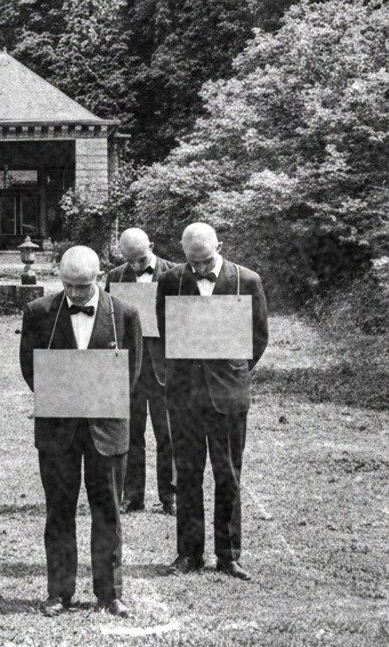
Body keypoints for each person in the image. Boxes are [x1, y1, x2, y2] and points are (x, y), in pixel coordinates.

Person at [20, 246, 142, 618]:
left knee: (108, 512)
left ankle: (110, 593)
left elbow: (132, 371)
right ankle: (59, 592)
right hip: (58, 429)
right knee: (59, 511)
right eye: (68, 285)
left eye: (83, 286)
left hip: (107, 428)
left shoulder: (125, 314)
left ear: (99, 278)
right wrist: (65, 398)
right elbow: (30, 368)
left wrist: (97, 400)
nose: (74, 293)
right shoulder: (39, 312)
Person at [156, 222, 268, 581]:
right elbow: (166, 331)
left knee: (228, 475)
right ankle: (189, 553)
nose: (200, 268)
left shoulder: (247, 280)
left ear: (219, 246)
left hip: (227, 396)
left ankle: (228, 555)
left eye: (205, 261)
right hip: (184, 396)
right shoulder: (170, 281)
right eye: (193, 262)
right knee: (188, 475)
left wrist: (231, 370)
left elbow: (258, 338)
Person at [104, 228, 177, 515]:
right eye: (129, 260)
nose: (135, 266)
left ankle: (171, 496)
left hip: (165, 369)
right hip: (130, 368)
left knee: (168, 433)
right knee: (131, 433)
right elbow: (109, 319)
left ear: (152, 246)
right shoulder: (114, 277)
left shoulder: (175, 274)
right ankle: (132, 496)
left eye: (141, 260)